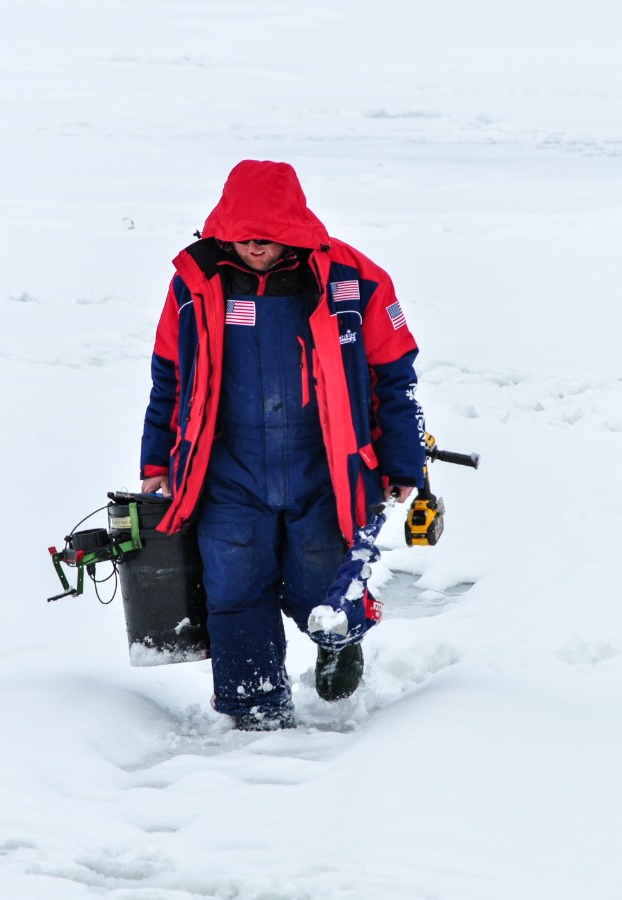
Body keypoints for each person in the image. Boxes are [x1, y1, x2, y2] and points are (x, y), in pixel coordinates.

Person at [139, 160, 426, 730]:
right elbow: (169, 374)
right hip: (228, 467)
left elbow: (395, 372)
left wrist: (401, 460)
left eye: (269, 239)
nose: (257, 250)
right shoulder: (196, 281)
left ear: (292, 229)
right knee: (235, 588)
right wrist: (154, 458)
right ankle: (255, 710)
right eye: (245, 238)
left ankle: (339, 640)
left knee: (323, 580)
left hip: (325, 463)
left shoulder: (354, 278)